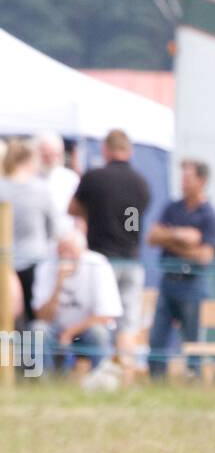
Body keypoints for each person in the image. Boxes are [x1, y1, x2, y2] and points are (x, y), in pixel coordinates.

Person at [69, 129, 151, 374]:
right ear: (129, 151)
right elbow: (134, 222)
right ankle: (123, 375)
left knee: (100, 319)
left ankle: (99, 373)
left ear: (105, 149)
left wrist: (95, 214)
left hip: (100, 261)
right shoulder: (141, 183)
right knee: (128, 323)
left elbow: (72, 209)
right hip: (131, 260)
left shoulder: (93, 178)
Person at [147, 160, 215, 378]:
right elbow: (152, 236)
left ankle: (193, 380)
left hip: (192, 285)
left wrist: (168, 239)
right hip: (168, 282)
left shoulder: (209, 216)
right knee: (157, 338)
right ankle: (156, 381)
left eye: (188, 179)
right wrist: (182, 237)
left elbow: (205, 256)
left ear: (202, 181)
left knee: (193, 342)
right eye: (182, 178)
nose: (183, 183)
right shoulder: (172, 207)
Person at [31, 229, 122, 370]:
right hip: (55, 330)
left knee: (99, 333)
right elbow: (41, 317)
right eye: (61, 250)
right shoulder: (46, 266)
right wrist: (59, 284)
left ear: (83, 250)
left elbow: (106, 315)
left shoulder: (98, 264)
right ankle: (43, 383)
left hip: (87, 330)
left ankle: (102, 383)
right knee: (37, 329)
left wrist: (70, 332)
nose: (65, 256)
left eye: (70, 250)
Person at [0, 139, 56, 327]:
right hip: (35, 261)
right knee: (35, 320)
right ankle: (33, 357)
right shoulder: (42, 189)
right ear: (28, 161)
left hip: (5, 262)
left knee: (7, 320)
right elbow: (52, 229)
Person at [38, 132, 79, 235]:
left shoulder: (71, 178)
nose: (50, 158)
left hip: (65, 237)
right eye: (46, 154)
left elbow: (78, 214)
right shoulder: (30, 178)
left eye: (54, 153)